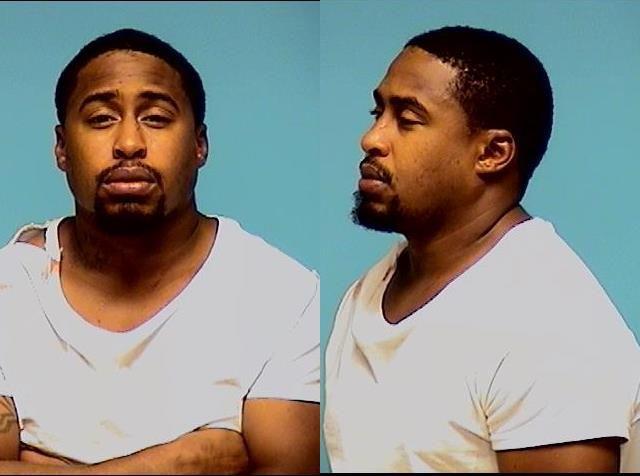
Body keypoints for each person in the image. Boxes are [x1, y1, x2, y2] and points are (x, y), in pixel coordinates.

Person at [0, 28, 319, 474]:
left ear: (199, 145)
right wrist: (190, 459)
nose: (129, 143)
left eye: (155, 117)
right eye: (101, 119)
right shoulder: (10, 288)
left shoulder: (283, 295)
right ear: (61, 148)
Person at [323, 25, 640, 472]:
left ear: (492, 153)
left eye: (408, 119)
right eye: (378, 112)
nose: (372, 138)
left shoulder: (551, 328)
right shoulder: (368, 294)